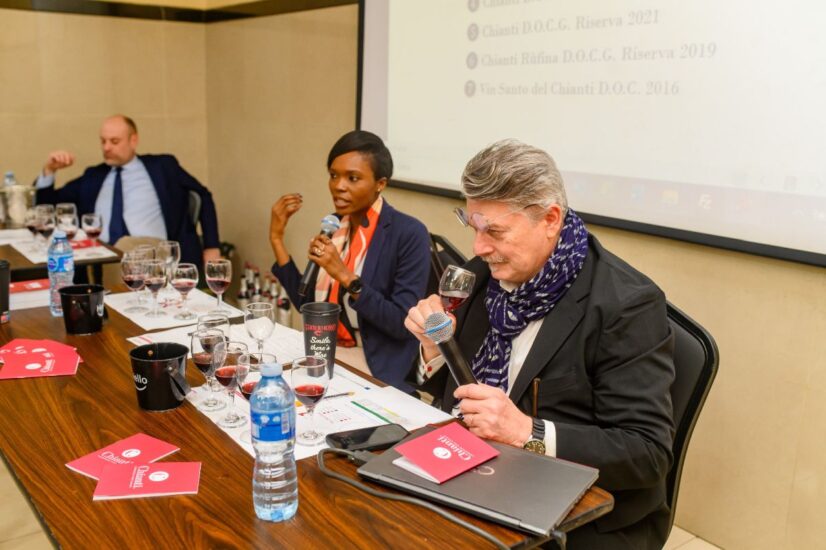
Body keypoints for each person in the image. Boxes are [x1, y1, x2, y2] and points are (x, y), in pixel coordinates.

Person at [405, 139, 675, 549]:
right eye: (473, 227)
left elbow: (647, 453)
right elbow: (456, 394)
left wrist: (524, 431)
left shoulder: (626, 305)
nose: (479, 248)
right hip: (480, 472)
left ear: (550, 219)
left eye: (495, 231)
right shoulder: (484, 274)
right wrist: (433, 347)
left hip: (581, 514)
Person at [270, 130, 430, 390]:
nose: (339, 186)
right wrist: (277, 238)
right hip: (327, 348)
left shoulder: (409, 233)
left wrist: (344, 275)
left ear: (380, 183)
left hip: (376, 363)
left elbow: (403, 324)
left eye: (352, 178)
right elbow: (307, 306)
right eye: (334, 175)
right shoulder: (334, 225)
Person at [34, 115, 221, 267]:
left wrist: (212, 246)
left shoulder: (162, 166)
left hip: (154, 250)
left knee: (124, 246)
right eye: (103, 141)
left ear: (133, 140)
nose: (106, 147)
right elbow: (47, 207)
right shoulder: (94, 175)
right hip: (100, 253)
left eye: (114, 141)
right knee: (54, 258)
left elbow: (203, 196)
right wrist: (50, 170)